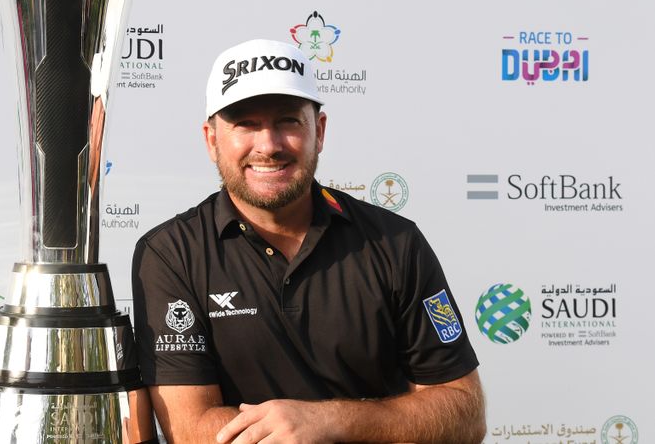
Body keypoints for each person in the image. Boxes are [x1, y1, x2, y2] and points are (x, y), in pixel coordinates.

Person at [131, 39, 485, 443]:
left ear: (318, 130)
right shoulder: (170, 254)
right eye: (245, 124)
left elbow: (464, 414)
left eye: (287, 121)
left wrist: (328, 421)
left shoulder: (395, 242)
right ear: (212, 140)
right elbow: (191, 430)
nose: (268, 145)